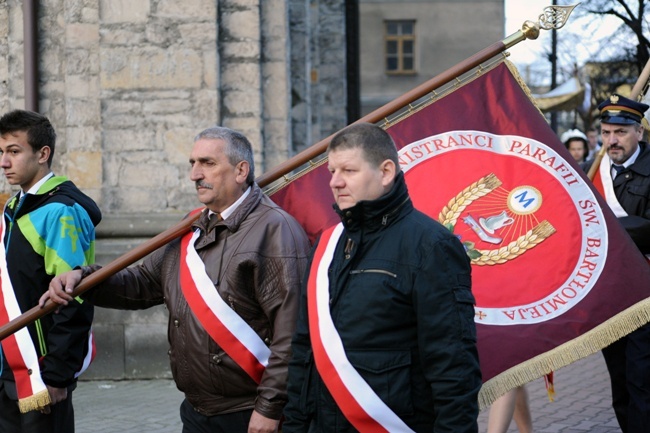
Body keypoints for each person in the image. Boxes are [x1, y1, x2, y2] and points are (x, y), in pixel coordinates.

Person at [42, 126, 311, 433]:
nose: (195, 174)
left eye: (207, 163)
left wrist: (269, 409)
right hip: (197, 411)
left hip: (249, 412)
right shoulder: (194, 225)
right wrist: (83, 278)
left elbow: (291, 334)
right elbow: (143, 283)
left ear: (241, 170)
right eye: (192, 163)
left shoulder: (275, 230)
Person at [282, 122, 482, 432]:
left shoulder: (431, 246)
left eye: (348, 171)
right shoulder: (326, 244)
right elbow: (304, 349)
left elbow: (452, 365)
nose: (335, 182)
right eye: (331, 171)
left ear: (386, 172)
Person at [0, 109, 101, 432]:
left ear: (43, 154)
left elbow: (74, 298)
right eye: (1, 153)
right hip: (8, 367)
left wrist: (58, 374)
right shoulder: (15, 207)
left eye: (14, 152)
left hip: (39, 371)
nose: (4, 162)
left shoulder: (61, 211)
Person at [582, 94, 650, 433]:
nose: (612, 141)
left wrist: (607, 230)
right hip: (610, 296)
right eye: (607, 132)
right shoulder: (593, 172)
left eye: (620, 133)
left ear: (639, 131)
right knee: (620, 383)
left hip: (645, 293)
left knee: (643, 381)